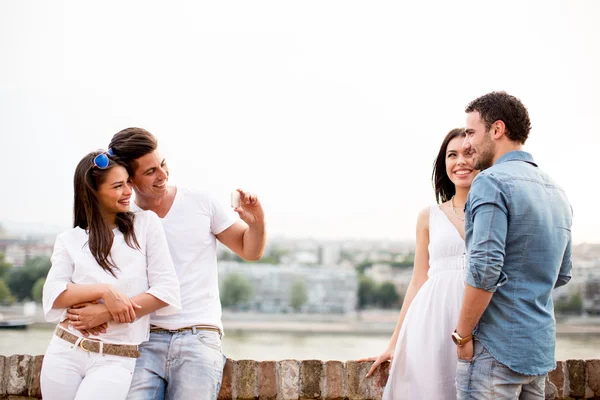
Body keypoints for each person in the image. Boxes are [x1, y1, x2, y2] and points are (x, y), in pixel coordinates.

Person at [65, 128, 267, 400]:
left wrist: (257, 223)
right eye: (150, 172)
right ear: (129, 178)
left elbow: (249, 250)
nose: (162, 175)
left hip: (199, 335)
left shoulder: (201, 202)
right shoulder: (123, 219)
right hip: (142, 339)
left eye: (162, 164)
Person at [454, 91, 572, 399]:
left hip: (494, 350)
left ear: (497, 130)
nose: (466, 143)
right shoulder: (556, 191)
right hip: (538, 350)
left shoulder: (490, 182)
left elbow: (484, 270)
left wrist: (462, 335)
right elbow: (561, 274)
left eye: (470, 132)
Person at [40, 150, 182, 400]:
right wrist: (106, 291)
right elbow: (54, 294)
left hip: (116, 358)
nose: (129, 191)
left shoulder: (146, 225)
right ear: (92, 192)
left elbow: (166, 292)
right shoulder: (69, 240)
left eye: (128, 182)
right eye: (118, 186)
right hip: (64, 351)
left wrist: (105, 312)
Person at [359, 128, 478, 399]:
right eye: (452, 155)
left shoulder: (496, 212)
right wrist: (394, 342)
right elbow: (418, 279)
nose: (460, 161)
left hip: (481, 318)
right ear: (443, 163)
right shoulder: (428, 216)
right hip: (432, 320)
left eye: (469, 153)